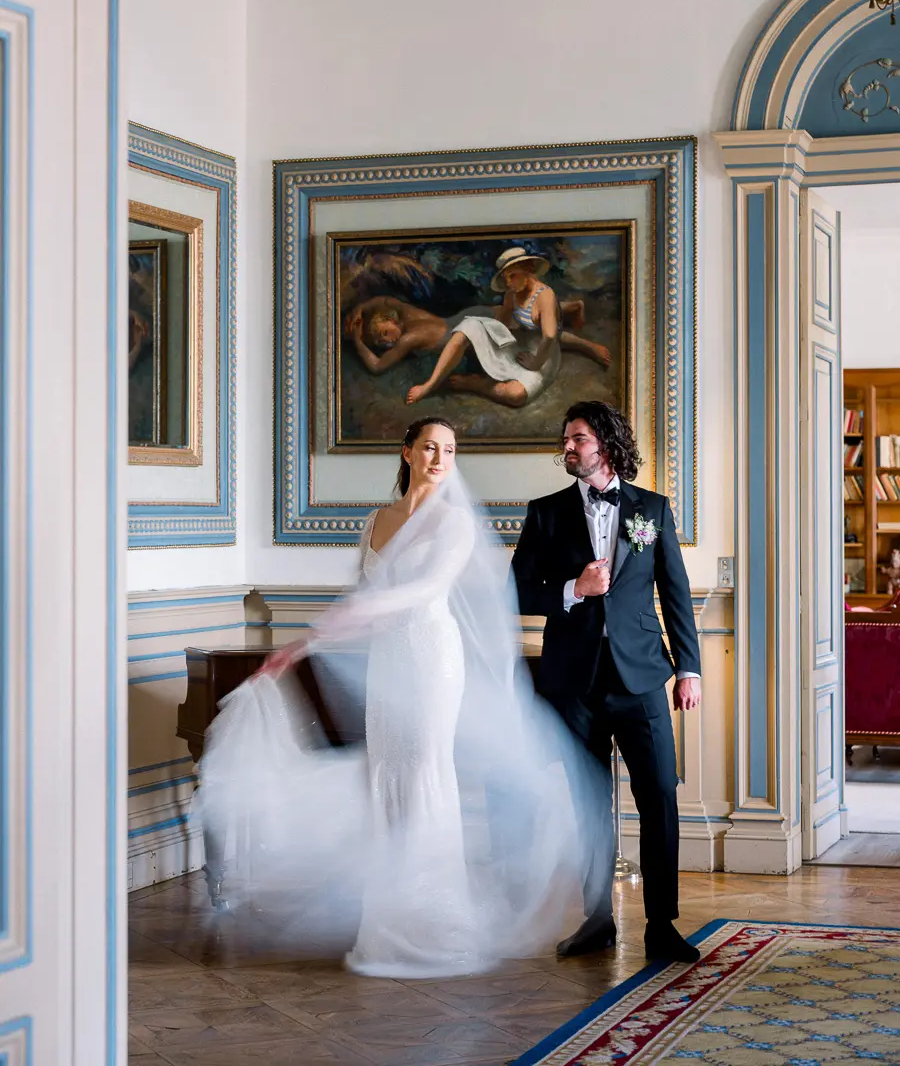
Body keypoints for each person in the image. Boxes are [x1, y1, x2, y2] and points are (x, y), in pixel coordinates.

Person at [195, 417, 599, 978]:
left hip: (432, 659)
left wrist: (319, 631)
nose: (440, 457)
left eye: (450, 450)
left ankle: (435, 924)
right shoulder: (377, 520)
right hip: (388, 663)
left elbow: (421, 591)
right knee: (388, 775)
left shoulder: (454, 523)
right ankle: (386, 924)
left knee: (424, 773)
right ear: (407, 452)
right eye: (430, 447)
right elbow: (364, 595)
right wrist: (302, 648)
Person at [511, 399, 702, 965]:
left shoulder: (653, 510)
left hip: (642, 678)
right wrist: (574, 588)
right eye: (566, 440)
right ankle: (596, 920)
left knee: (659, 799)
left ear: (607, 446)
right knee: (587, 806)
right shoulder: (544, 513)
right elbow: (516, 593)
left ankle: (662, 926)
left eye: (578, 440)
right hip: (574, 683)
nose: (567, 449)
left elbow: (676, 594)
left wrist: (687, 669)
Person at [406, 247, 610, 407]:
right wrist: (486, 333)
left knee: (516, 394)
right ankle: (429, 385)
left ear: (528, 270)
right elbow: (502, 323)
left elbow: (549, 336)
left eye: (512, 276)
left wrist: (536, 363)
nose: (509, 282)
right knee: (467, 326)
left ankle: (478, 385)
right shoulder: (512, 292)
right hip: (519, 340)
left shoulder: (545, 296)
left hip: (542, 353)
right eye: (506, 277)